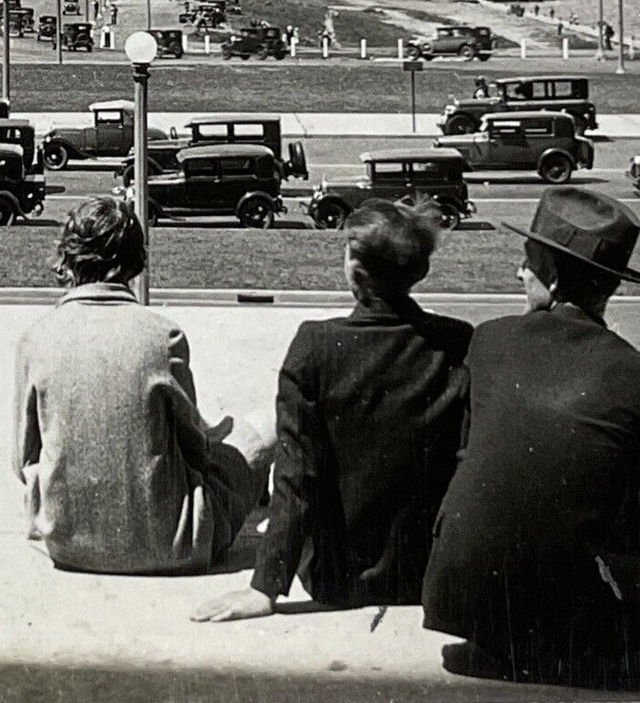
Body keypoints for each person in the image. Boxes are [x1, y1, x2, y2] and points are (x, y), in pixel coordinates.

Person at [422, 189, 640, 691]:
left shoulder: (489, 340)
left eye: (527, 263)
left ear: (555, 279)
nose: (518, 273)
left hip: (469, 612)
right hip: (577, 628)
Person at [192, 200, 471, 623]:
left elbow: (295, 476)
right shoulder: (457, 342)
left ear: (355, 272)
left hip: (337, 578)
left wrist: (266, 586)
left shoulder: (315, 347)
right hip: (425, 574)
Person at [13, 196, 273, 575]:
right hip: (175, 544)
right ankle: (254, 497)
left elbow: (23, 460)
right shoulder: (162, 336)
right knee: (263, 427)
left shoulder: (34, 339)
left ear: (68, 260)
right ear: (134, 260)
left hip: (68, 545)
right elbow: (197, 452)